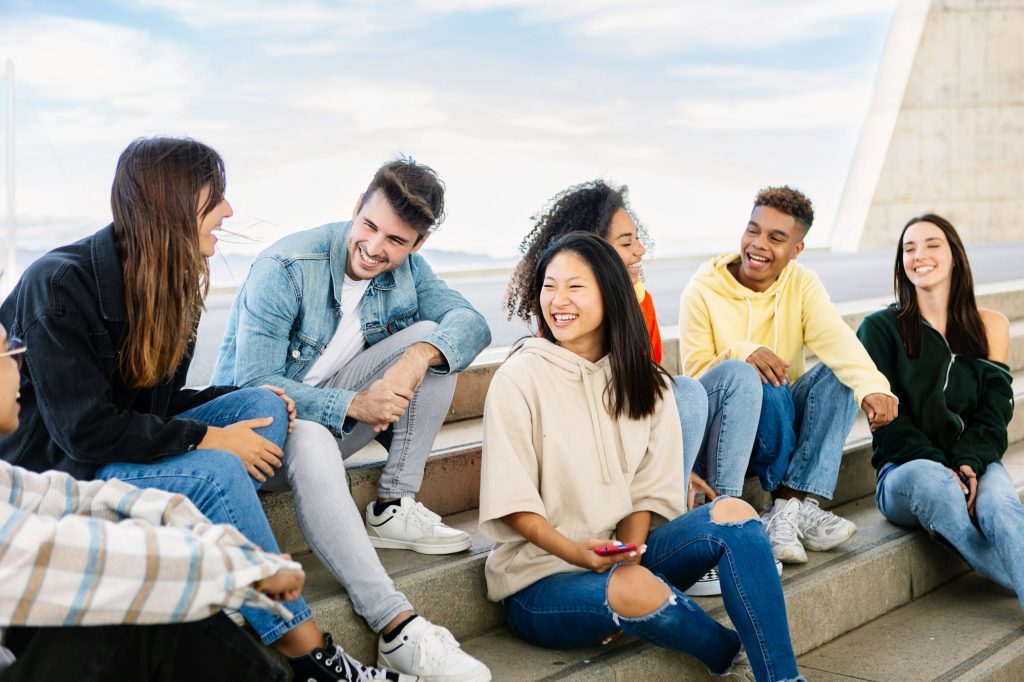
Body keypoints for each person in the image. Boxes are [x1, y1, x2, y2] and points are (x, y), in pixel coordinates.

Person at [0, 137, 412, 682]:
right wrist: (209, 440)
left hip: (121, 441)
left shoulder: (172, 283)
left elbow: (162, 404)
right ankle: (309, 653)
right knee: (217, 468)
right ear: (171, 207)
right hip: (67, 463)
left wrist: (232, 407)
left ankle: (235, 509)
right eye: (215, 197)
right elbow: (85, 431)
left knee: (264, 403)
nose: (228, 210)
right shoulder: (59, 284)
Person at [211, 157, 492, 681]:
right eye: (369, 226)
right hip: (259, 440)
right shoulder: (287, 266)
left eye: (396, 240)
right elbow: (252, 386)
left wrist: (414, 359)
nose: (375, 247)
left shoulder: (409, 269)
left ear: (417, 245)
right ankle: (394, 624)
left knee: (433, 338)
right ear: (355, 209)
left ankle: (392, 504)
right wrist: (351, 406)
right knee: (313, 432)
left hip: (331, 425)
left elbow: (469, 323)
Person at [481, 232, 803, 682]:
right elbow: (514, 504)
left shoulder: (645, 383)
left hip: (619, 556)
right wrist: (583, 558)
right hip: (538, 582)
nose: (558, 300)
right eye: (549, 286)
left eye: (575, 286)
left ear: (608, 293)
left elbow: (643, 498)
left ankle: (783, 678)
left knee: (734, 512)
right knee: (632, 588)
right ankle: (726, 652)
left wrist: (626, 561)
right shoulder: (519, 378)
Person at [0, 325, 308, 682]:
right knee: (144, 616)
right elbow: (69, 557)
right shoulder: (65, 287)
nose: (19, 364)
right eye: (8, 352)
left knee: (147, 602)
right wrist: (242, 569)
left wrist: (232, 549)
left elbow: (73, 499)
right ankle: (307, 653)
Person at [679, 186, 899, 564]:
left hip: (781, 423)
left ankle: (787, 508)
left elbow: (836, 339)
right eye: (753, 230)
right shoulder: (703, 289)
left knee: (838, 375)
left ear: (796, 249)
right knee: (766, 377)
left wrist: (874, 388)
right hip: (734, 435)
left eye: (776, 238)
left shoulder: (801, 283)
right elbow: (699, 383)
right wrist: (743, 352)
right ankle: (792, 503)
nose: (758, 244)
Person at [502, 180, 712, 505]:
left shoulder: (643, 301)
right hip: (596, 448)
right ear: (593, 252)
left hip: (636, 430)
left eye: (638, 240)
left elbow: (649, 385)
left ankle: (675, 496)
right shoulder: (561, 326)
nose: (640, 251)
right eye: (627, 243)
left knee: (687, 391)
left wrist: (671, 468)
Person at [857, 215, 1023, 610]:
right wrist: (939, 464)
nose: (920, 256)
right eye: (909, 248)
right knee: (936, 484)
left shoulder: (990, 326)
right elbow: (888, 424)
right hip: (906, 473)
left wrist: (968, 462)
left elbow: (995, 413)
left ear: (955, 257)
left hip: (975, 461)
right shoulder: (879, 329)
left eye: (932, 245)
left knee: (1001, 505)